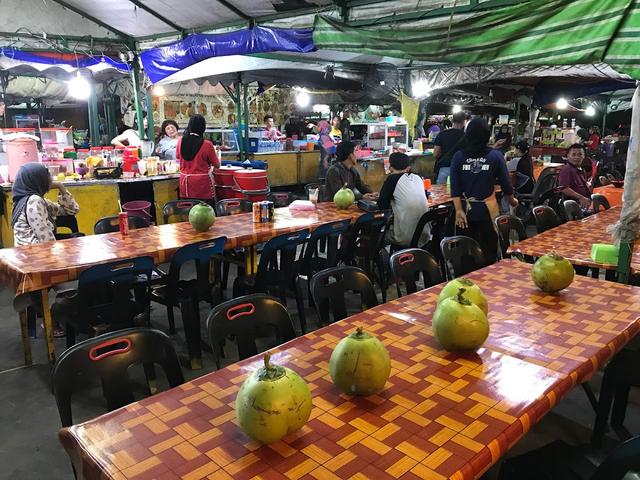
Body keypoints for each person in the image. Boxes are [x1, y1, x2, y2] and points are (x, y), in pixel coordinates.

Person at [12, 163, 80, 337]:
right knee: (77, 276)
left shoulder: (32, 198)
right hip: (35, 259)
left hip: (31, 255)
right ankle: (53, 317)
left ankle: (57, 312)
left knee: (71, 280)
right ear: (37, 180)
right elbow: (46, 241)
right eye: (47, 176)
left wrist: (61, 187)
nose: (50, 179)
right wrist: (67, 258)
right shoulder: (33, 201)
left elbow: (72, 209)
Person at [450, 118, 518, 264]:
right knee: (489, 249)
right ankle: (487, 279)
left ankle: (466, 279)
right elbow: (506, 184)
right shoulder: (495, 156)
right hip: (488, 209)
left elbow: (455, 187)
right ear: (487, 135)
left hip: (464, 210)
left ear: (467, 134)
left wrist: (458, 210)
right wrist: (512, 200)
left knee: (465, 250)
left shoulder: (458, 156)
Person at [377, 152, 429, 247]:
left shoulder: (392, 179)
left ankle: (374, 261)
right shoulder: (418, 178)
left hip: (405, 238)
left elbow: (382, 205)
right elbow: (425, 196)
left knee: (375, 236)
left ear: (391, 167)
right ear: (408, 167)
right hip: (425, 236)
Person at [177, 114, 220, 201]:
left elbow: (178, 157)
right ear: (203, 128)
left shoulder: (180, 141)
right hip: (202, 184)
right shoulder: (207, 144)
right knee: (205, 211)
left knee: (189, 210)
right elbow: (217, 165)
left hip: (185, 182)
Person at [433, 111, 466, 184]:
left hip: (444, 168)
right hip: (460, 169)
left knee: (441, 192)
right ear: (463, 121)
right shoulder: (466, 137)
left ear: (452, 120)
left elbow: (435, 154)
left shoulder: (442, 134)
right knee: (458, 193)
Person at [558, 143, 592, 209]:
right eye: (573, 154)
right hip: (572, 207)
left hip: (584, 205)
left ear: (584, 156)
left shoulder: (581, 170)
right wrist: (581, 198)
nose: (576, 157)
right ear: (568, 156)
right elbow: (564, 188)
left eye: (580, 154)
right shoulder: (566, 169)